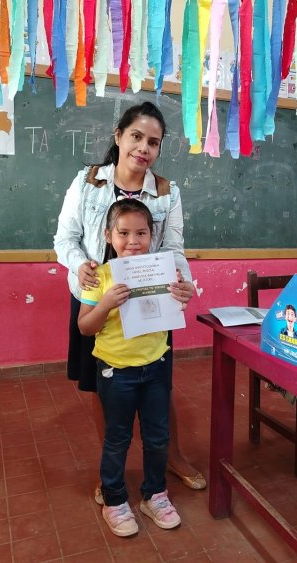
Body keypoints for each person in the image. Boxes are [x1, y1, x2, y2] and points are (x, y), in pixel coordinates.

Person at [53, 102, 206, 502]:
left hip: (149, 301)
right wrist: (80, 264)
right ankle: (113, 472)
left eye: (153, 142)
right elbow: (64, 238)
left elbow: (174, 248)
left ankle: (172, 456)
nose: (144, 148)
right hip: (95, 298)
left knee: (157, 379)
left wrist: (185, 284)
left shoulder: (166, 192)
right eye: (136, 136)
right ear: (118, 136)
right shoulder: (88, 182)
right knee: (104, 386)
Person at [78, 198, 181, 536]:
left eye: (141, 233)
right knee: (117, 438)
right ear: (109, 235)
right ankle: (114, 499)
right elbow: (85, 327)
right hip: (116, 371)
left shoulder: (162, 272)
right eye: (123, 233)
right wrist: (106, 303)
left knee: (157, 436)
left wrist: (185, 291)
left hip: (156, 366)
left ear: (152, 235)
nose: (133, 241)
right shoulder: (98, 278)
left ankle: (155, 494)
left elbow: (178, 302)